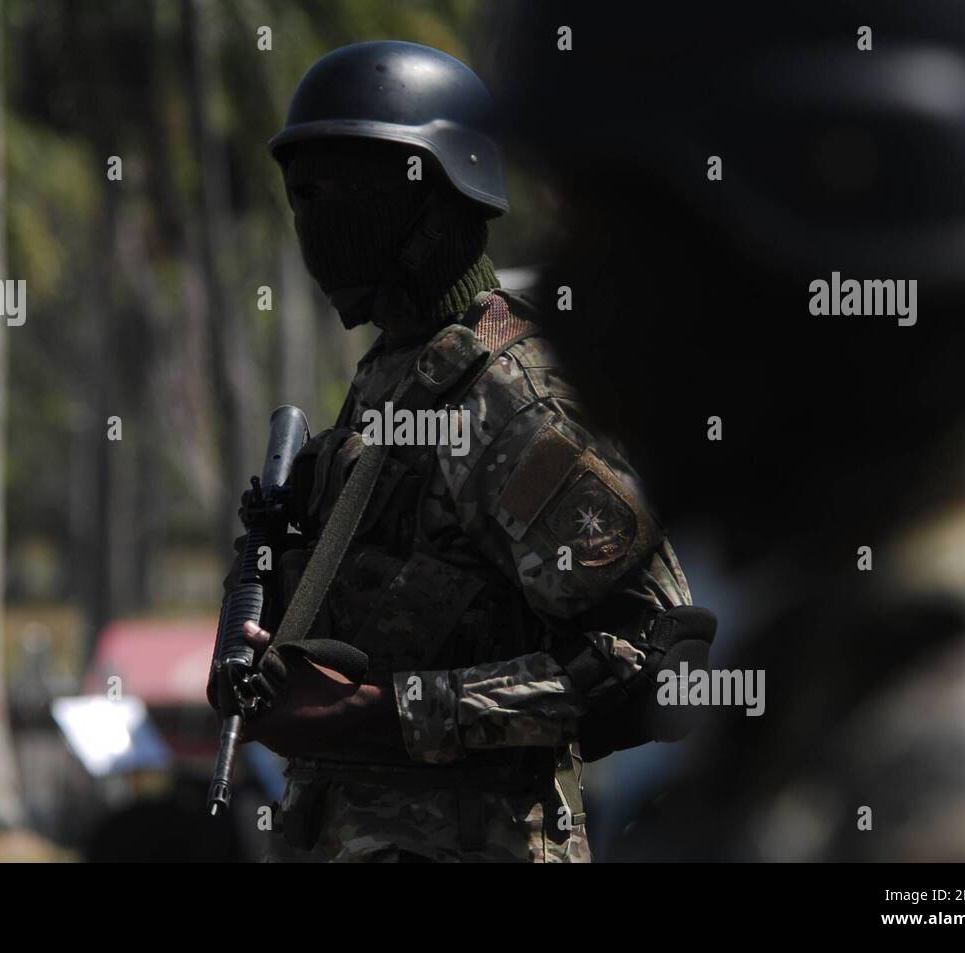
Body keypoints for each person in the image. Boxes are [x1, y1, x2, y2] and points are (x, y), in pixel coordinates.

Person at [216, 41, 709, 863]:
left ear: (436, 194)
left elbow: (656, 668)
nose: (318, 216)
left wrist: (387, 712)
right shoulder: (394, 373)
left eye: (347, 188)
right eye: (305, 192)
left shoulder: (509, 398)